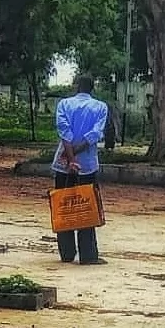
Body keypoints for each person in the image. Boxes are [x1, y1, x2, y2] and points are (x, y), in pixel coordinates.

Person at [52, 74, 109, 265]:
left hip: (63, 164)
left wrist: (69, 156)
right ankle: (88, 254)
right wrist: (76, 155)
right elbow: (94, 135)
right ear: (92, 88)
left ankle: (66, 253)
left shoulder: (64, 105)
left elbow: (64, 130)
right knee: (87, 208)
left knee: (63, 205)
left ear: (77, 86)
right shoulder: (100, 107)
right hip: (88, 165)